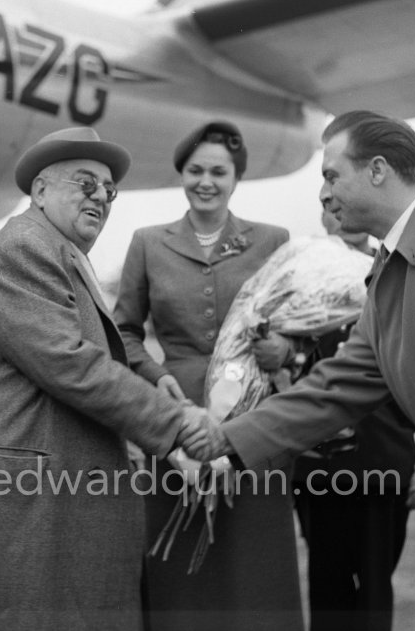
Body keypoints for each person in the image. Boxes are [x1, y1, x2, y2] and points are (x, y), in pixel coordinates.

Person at [0, 126, 204, 631]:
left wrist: (152, 377)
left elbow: (96, 341)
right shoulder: (26, 246)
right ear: (40, 191)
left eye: (109, 191)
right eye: (85, 183)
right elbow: (69, 360)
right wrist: (177, 425)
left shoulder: (56, 249)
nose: (101, 196)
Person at [181, 110, 415, 630]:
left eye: (330, 175)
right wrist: (226, 440)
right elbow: (337, 388)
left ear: (378, 170)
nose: (322, 194)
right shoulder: (386, 273)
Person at [114, 121, 304, 631]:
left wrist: (280, 349)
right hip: (176, 420)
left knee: (253, 555)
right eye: (195, 170)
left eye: (218, 171)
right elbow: (123, 333)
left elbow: (295, 334)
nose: (206, 181)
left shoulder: (272, 240)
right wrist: (156, 378)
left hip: (255, 419)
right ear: (182, 175)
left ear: (236, 178)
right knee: (178, 556)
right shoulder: (148, 243)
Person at [292, 206, 415, 631]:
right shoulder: (300, 278)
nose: (335, 213)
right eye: (326, 206)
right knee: (327, 583)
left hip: (383, 454)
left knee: (375, 584)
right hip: (319, 462)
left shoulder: (393, 272)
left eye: (341, 202)